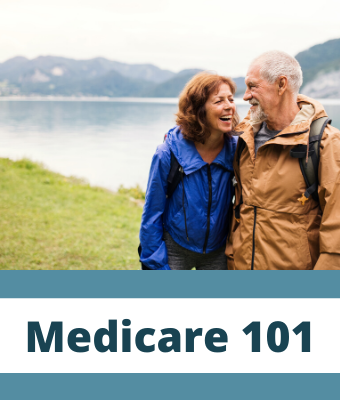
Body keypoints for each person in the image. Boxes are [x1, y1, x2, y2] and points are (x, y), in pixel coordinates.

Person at [226, 50, 340, 270]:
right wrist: (231, 258)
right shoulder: (244, 138)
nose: (245, 95)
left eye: (252, 86)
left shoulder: (327, 143)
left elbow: (336, 233)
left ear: (281, 85)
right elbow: (240, 211)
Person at [139, 72, 239, 270]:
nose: (229, 106)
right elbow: (152, 213)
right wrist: (156, 265)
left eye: (231, 99)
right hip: (175, 248)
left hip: (218, 250)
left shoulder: (238, 150)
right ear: (198, 109)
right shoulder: (167, 153)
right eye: (219, 101)